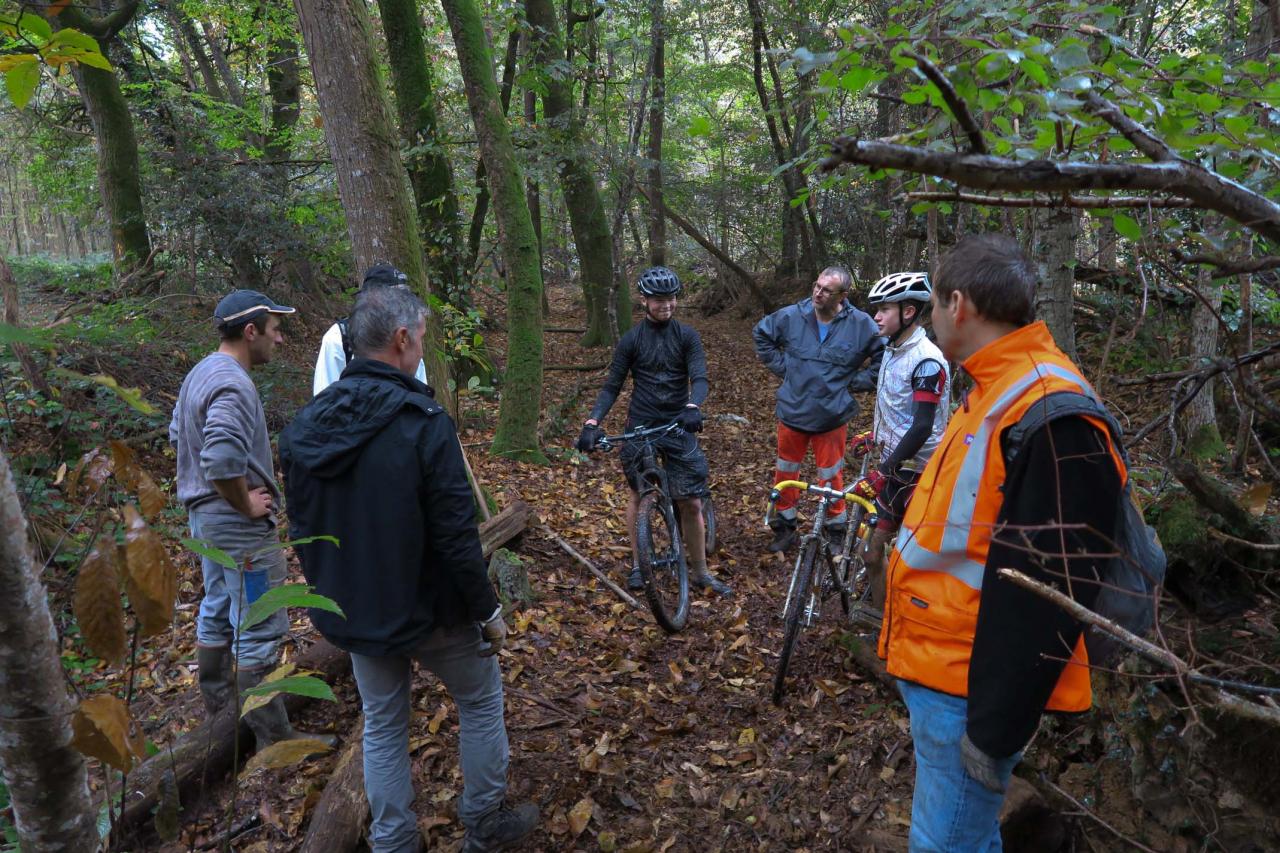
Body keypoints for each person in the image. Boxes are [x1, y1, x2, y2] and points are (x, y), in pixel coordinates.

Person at [879, 234, 1125, 851]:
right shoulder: (991, 388)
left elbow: (1053, 590)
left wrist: (992, 732)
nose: (933, 319)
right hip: (943, 672)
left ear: (957, 305)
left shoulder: (1050, 411)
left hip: (970, 693)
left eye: (934, 305)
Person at [279, 286, 537, 853]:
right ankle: (485, 824)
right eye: (420, 340)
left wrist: (335, 594)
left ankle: (394, 842)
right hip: (434, 609)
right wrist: (486, 609)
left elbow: (301, 526)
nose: (422, 351)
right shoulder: (424, 422)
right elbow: (454, 533)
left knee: (383, 723)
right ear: (400, 341)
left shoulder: (305, 427)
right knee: (480, 699)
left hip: (359, 611)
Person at [170, 289, 333, 749]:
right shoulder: (233, 383)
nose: (279, 340)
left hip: (206, 522)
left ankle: (223, 714)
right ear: (250, 331)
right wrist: (244, 503)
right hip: (238, 529)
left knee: (219, 608)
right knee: (259, 623)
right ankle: (274, 739)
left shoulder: (201, 373)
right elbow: (221, 457)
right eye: (275, 330)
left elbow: (178, 432)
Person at [575, 266, 731, 596]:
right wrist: (592, 422)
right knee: (639, 494)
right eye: (659, 300)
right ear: (644, 300)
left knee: (690, 501)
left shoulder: (687, 336)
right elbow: (612, 386)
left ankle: (700, 571)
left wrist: (693, 406)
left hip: (677, 423)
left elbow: (699, 378)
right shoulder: (631, 340)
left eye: (672, 299)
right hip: (641, 425)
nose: (667, 306)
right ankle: (638, 563)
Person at [752, 265, 883, 553]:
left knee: (831, 475)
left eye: (826, 290)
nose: (818, 293)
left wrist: (853, 383)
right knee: (785, 472)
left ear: (843, 295)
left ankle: (834, 531)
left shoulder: (861, 324)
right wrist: (786, 369)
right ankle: (784, 529)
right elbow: (762, 335)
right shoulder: (792, 315)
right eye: (817, 285)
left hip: (831, 415)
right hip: (793, 411)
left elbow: (882, 359)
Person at [847, 272, 950, 610]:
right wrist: (876, 435)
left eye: (885, 309)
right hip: (896, 469)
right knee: (871, 553)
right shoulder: (892, 349)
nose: (876, 315)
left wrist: (882, 470)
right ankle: (881, 620)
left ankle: (912, 630)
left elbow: (921, 427)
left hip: (921, 475)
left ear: (908, 312)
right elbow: (898, 408)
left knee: (914, 565)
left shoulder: (927, 360)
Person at [313, 262, 427, 395]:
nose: (397, 305)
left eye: (402, 298)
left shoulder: (410, 336)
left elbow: (421, 391)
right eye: (390, 298)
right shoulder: (339, 337)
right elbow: (325, 393)